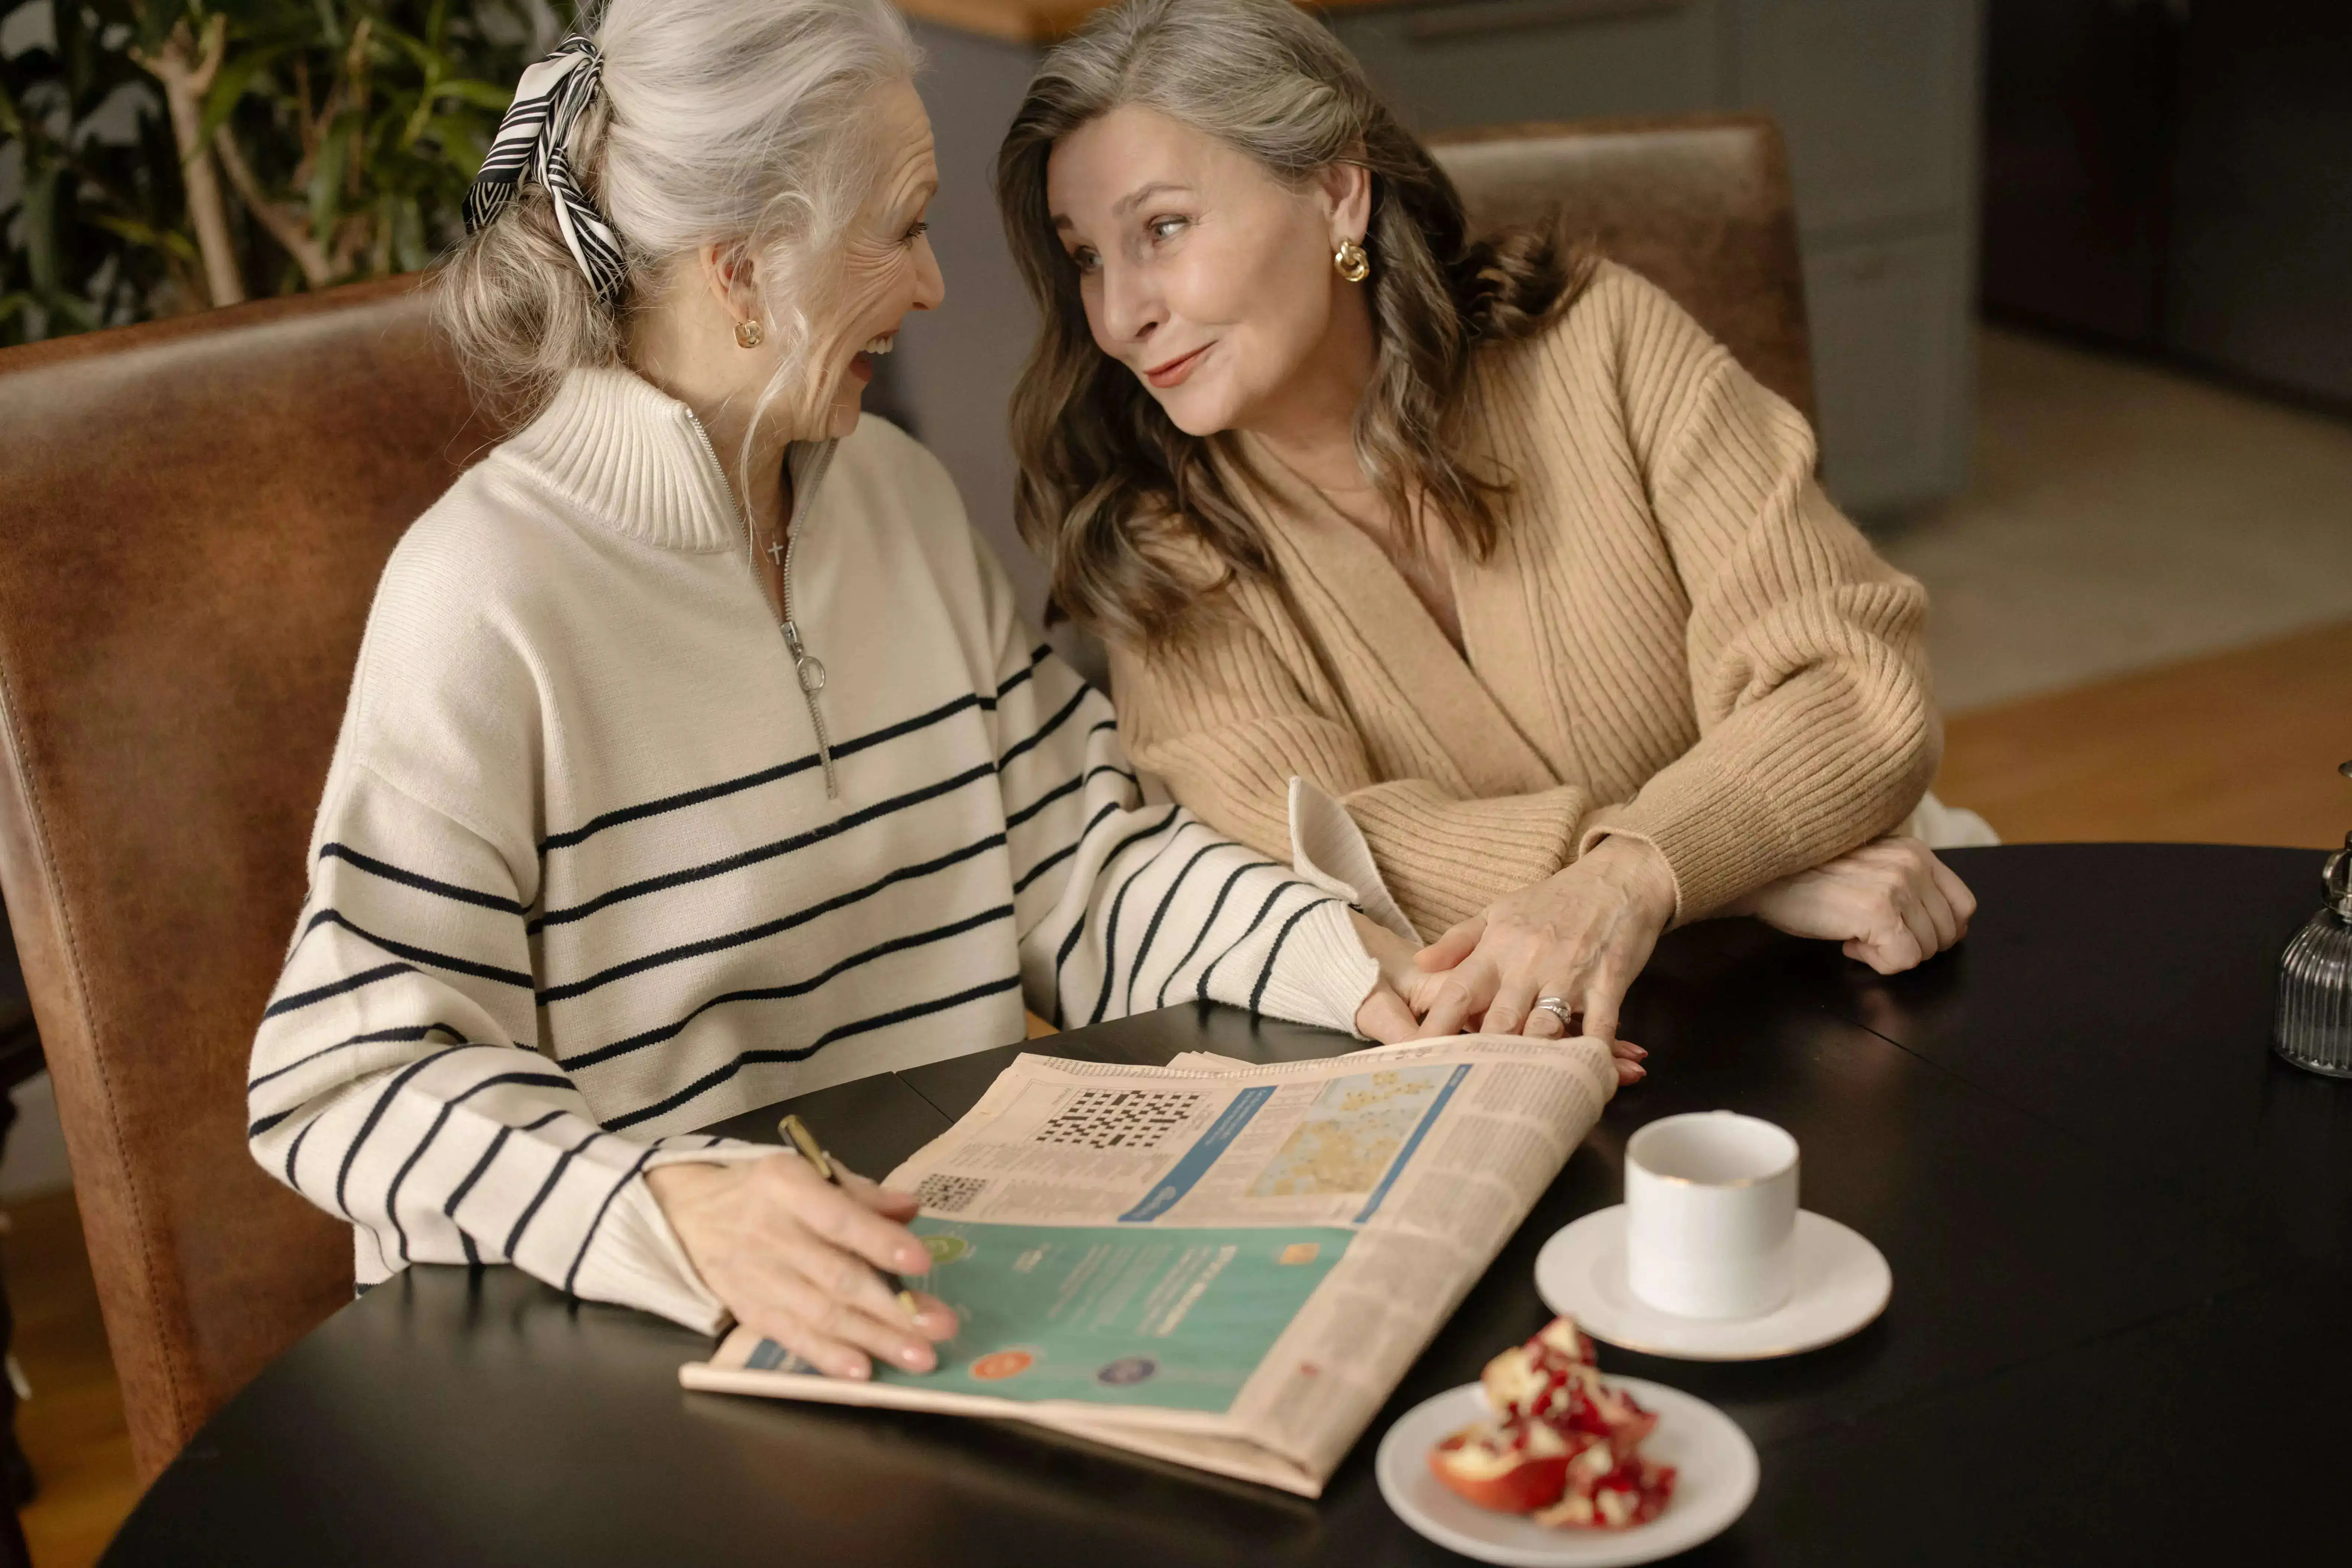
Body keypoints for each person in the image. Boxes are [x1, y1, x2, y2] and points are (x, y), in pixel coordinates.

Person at [245, 0, 1451, 1383]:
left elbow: (1082, 871)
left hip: (943, 1295)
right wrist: (672, 1215)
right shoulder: (482, 593)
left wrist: (1355, 966)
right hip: (626, 1351)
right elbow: (343, 1079)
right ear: (742, 265)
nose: (935, 286)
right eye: (901, 225)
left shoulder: (902, 503)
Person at [995, 0, 1983, 1056]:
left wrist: (1642, 872)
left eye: (1164, 228)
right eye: (1087, 257)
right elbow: (1338, 860)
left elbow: (1854, 687)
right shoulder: (1154, 542)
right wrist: (1739, 873)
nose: (1118, 314)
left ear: (1336, 191)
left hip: (1847, 974)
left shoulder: (1605, 346)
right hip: (1551, 1046)